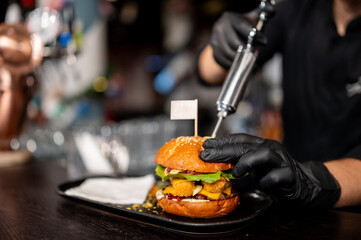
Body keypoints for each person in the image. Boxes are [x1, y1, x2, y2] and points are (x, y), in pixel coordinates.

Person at [197, 0, 361, 208]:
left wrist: (312, 180)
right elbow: (208, 72)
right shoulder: (296, 8)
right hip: (287, 200)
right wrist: (222, 45)